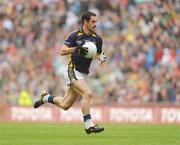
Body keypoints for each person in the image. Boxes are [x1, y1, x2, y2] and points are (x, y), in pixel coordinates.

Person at [34, 11, 107, 134]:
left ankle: (45, 97)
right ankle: (89, 125)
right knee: (87, 94)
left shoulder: (97, 39)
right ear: (85, 22)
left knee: (65, 105)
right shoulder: (74, 35)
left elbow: (98, 53)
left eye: (96, 21)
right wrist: (76, 49)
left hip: (82, 74)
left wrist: (101, 57)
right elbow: (62, 51)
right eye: (93, 21)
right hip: (72, 70)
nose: (96, 24)